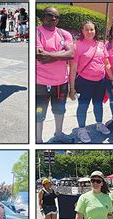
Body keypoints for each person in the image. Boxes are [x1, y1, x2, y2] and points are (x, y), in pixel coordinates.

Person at [69, 20, 113, 143]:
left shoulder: (100, 45)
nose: (90, 32)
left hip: (100, 81)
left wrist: (112, 79)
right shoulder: (77, 45)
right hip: (84, 82)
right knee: (83, 106)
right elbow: (73, 68)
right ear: (82, 31)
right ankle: (81, 129)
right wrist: (72, 88)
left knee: (98, 104)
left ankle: (99, 124)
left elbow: (106, 64)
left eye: (92, 29)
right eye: (87, 29)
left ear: (95, 31)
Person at [36, 7, 74, 144]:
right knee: (38, 113)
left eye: (56, 17)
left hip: (61, 82)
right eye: (50, 15)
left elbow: (71, 54)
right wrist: (61, 54)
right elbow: (40, 57)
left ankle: (58, 134)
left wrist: (49, 55)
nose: (53, 19)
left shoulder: (64, 34)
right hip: (40, 83)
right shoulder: (37, 32)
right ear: (42, 17)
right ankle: (38, 140)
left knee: (59, 110)